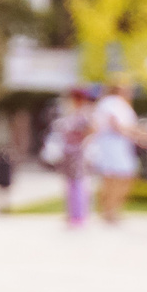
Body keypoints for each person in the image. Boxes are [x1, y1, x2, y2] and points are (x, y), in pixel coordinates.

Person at [90, 82, 146, 223]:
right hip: (113, 147)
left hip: (120, 146)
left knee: (117, 178)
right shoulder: (111, 103)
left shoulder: (119, 104)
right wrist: (137, 135)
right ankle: (109, 211)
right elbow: (116, 124)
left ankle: (111, 210)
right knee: (115, 178)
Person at [44, 88, 94, 227]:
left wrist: (79, 138)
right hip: (68, 152)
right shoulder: (72, 114)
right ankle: (72, 213)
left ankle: (79, 215)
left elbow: (91, 130)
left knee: (78, 183)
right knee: (70, 183)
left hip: (77, 152)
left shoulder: (84, 114)